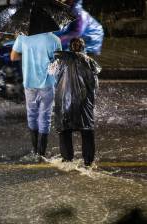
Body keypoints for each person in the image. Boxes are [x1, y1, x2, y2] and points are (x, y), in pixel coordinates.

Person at [49, 38, 101, 167]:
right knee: (87, 131)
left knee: (65, 131)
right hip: (83, 103)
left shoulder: (60, 60)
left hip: (64, 102)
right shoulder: (90, 62)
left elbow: (50, 72)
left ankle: (67, 159)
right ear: (83, 47)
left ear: (70, 47)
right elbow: (95, 85)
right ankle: (88, 161)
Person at [11, 32, 62, 158]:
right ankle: (42, 152)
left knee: (32, 115)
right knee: (45, 117)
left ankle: (34, 149)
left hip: (29, 83)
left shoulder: (23, 37)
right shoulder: (55, 39)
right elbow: (58, 62)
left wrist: (27, 56)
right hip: (47, 84)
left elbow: (13, 56)